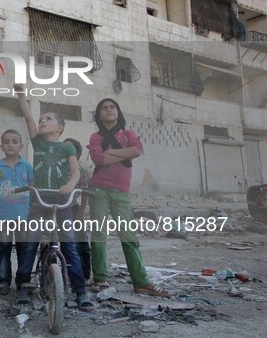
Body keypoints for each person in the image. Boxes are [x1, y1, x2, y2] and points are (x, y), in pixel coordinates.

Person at [14, 84, 93, 310]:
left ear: (60, 127)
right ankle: (23, 285)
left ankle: (80, 290)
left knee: (69, 244)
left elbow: (76, 171)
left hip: (62, 201)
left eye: (48, 119)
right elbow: (28, 117)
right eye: (41, 119)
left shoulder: (67, 149)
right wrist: (22, 96)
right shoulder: (38, 142)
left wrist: (69, 185)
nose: (42, 121)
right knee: (30, 243)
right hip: (39, 200)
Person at [88, 98, 169, 297]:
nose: (108, 110)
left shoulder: (128, 134)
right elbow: (99, 159)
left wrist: (112, 153)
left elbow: (136, 151)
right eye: (104, 108)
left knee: (128, 235)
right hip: (98, 190)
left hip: (121, 192)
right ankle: (100, 279)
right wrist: (125, 154)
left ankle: (140, 281)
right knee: (98, 234)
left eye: (112, 107)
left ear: (118, 112)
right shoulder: (96, 137)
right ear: (99, 115)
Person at [0, 129, 34, 300]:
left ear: (21, 146)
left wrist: (32, 214)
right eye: (7, 141)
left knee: (24, 250)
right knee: (4, 249)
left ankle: (23, 282)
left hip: (24, 217)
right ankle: (4, 281)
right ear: (1, 146)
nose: (10, 144)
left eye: (15, 141)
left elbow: (32, 190)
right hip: (4, 217)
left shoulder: (27, 167)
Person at [64, 138, 91, 281]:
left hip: (73, 209)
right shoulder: (56, 169)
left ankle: (84, 274)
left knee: (80, 241)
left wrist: (80, 214)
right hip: (55, 208)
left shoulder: (80, 171)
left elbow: (85, 194)